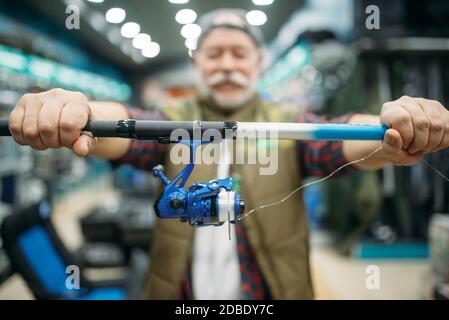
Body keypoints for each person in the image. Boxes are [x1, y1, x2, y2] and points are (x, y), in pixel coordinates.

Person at [7, 9, 449, 299]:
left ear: (258, 64)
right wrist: (77, 109)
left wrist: (393, 133)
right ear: (198, 64)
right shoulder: (172, 119)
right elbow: (120, 125)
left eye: (239, 54)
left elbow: (347, 137)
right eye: (214, 54)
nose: (227, 64)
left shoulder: (288, 121)